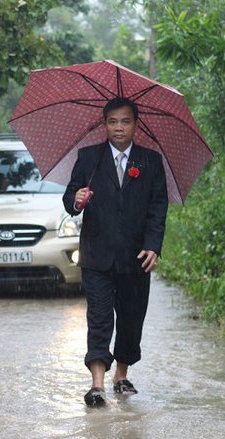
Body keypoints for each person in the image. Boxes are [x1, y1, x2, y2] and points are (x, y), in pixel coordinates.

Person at [62, 97, 168, 407]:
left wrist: (153, 246)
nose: (118, 128)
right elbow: (70, 198)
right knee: (99, 317)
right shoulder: (88, 158)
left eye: (124, 122)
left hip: (136, 257)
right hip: (97, 255)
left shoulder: (151, 161)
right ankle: (97, 385)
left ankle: (121, 375)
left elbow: (157, 208)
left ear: (136, 125)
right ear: (104, 124)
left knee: (132, 317)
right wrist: (77, 199)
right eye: (112, 122)